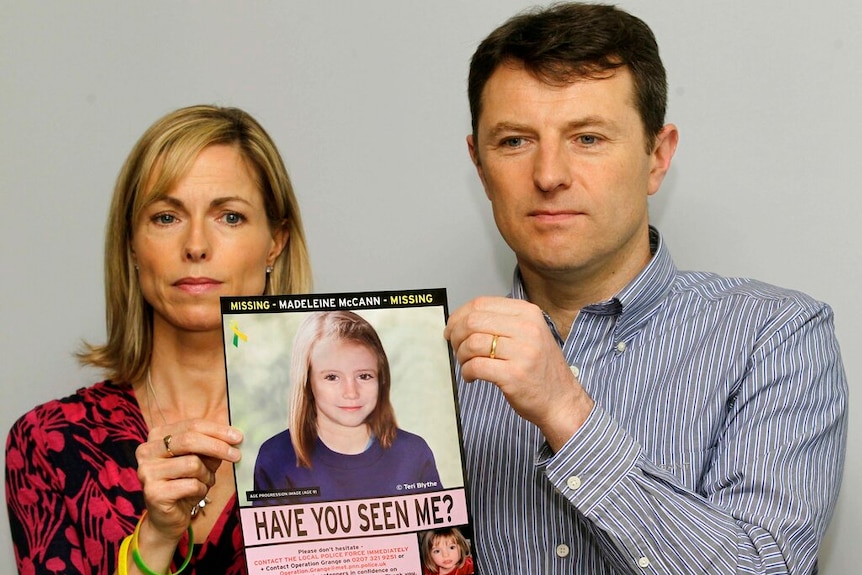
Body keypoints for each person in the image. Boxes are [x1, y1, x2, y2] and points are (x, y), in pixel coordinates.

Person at [444, 3, 848, 574]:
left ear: (657, 157)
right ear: (479, 166)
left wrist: (569, 415)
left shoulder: (776, 338)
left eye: (587, 137)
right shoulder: (423, 367)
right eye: (514, 141)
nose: (549, 174)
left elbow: (767, 568)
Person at [5, 104, 312, 575]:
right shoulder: (49, 443)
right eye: (166, 217)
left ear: (276, 241)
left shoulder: (342, 422)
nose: (195, 245)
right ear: (131, 243)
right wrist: (155, 538)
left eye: (229, 216)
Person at [253, 310, 442, 505]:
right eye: (332, 377)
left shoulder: (413, 452)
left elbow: (442, 531)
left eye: (364, 376)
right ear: (307, 382)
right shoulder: (275, 456)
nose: (351, 392)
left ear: (381, 378)